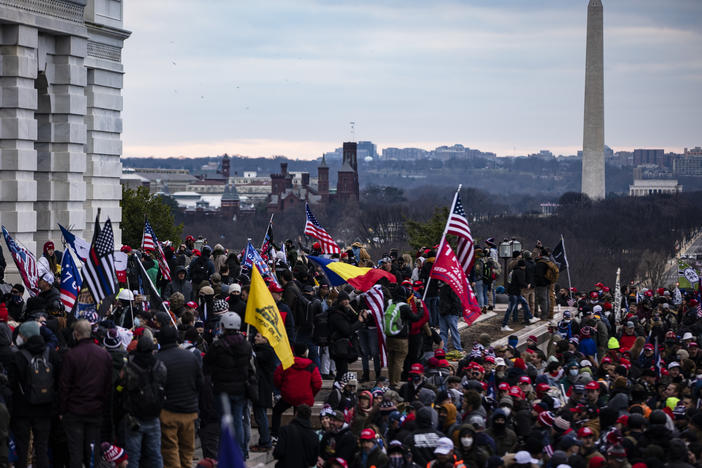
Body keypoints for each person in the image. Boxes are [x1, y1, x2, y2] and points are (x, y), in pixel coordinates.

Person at [59, 319, 113, 468]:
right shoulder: (104, 355)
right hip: (95, 410)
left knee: (75, 452)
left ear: (76, 334)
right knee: (93, 450)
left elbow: (64, 386)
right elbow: (108, 385)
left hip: (75, 411)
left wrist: (63, 410)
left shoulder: (71, 355)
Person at [203, 312, 254, 457]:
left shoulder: (218, 346)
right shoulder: (246, 345)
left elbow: (206, 364)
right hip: (240, 389)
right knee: (238, 420)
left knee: (224, 421)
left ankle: (226, 451)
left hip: (222, 389)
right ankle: (239, 451)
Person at [9, 321, 60, 468]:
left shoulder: (18, 356)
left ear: (25, 336)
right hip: (45, 407)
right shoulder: (51, 354)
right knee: (42, 447)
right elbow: (59, 379)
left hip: (22, 410)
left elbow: (12, 383)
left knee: (22, 448)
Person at [158, 325, 203, 468]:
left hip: (167, 412)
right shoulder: (190, 357)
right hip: (189, 411)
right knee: (187, 450)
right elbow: (200, 382)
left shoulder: (158, 359)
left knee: (170, 450)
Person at [121, 335, 166, 467]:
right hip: (154, 415)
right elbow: (164, 383)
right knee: (155, 454)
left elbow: (122, 385)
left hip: (134, 417)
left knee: (133, 456)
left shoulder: (130, 366)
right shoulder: (159, 366)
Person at [271, 342, 322, 439]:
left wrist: (282, 388)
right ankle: (301, 436)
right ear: (305, 352)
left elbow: (277, 377)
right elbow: (317, 383)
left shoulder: (287, 363)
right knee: (302, 417)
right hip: (304, 397)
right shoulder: (311, 366)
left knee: (277, 411)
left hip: (288, 395)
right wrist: (311, 394)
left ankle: (274, 435)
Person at [273, 403, 320, 468]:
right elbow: (313, 461)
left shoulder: (285, 430)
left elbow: (278, 453)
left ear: (296, 414)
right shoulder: (314, 436)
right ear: (309, 416)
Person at [501, 260, 538, 332]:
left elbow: (509, 281)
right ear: (523, 266)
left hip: (514, 292)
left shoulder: (513, 271)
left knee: (524, 303)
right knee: (510, 309)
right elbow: (521, 282)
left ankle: (530, 317)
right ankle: (504, 325)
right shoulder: (519, 272)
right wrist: (527, 285)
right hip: (514, 293)